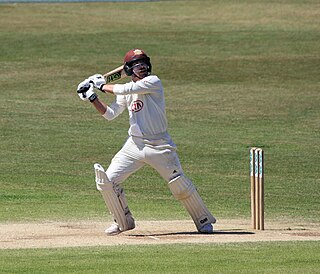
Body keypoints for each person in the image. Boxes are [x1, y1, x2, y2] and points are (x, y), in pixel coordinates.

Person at [77, 49, 216, 235]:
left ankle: (203, 220)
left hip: (159, 146)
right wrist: (92, 98)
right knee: (108, 182)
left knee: (179, 184)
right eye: (136, 65)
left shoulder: (153, 82)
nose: (142, 67)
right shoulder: (126, 90)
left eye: (143, 63)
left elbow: (125, 88)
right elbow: (110, 114)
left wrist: (100, 85)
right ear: (128, 69)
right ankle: (123, 222)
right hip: (134, 145)